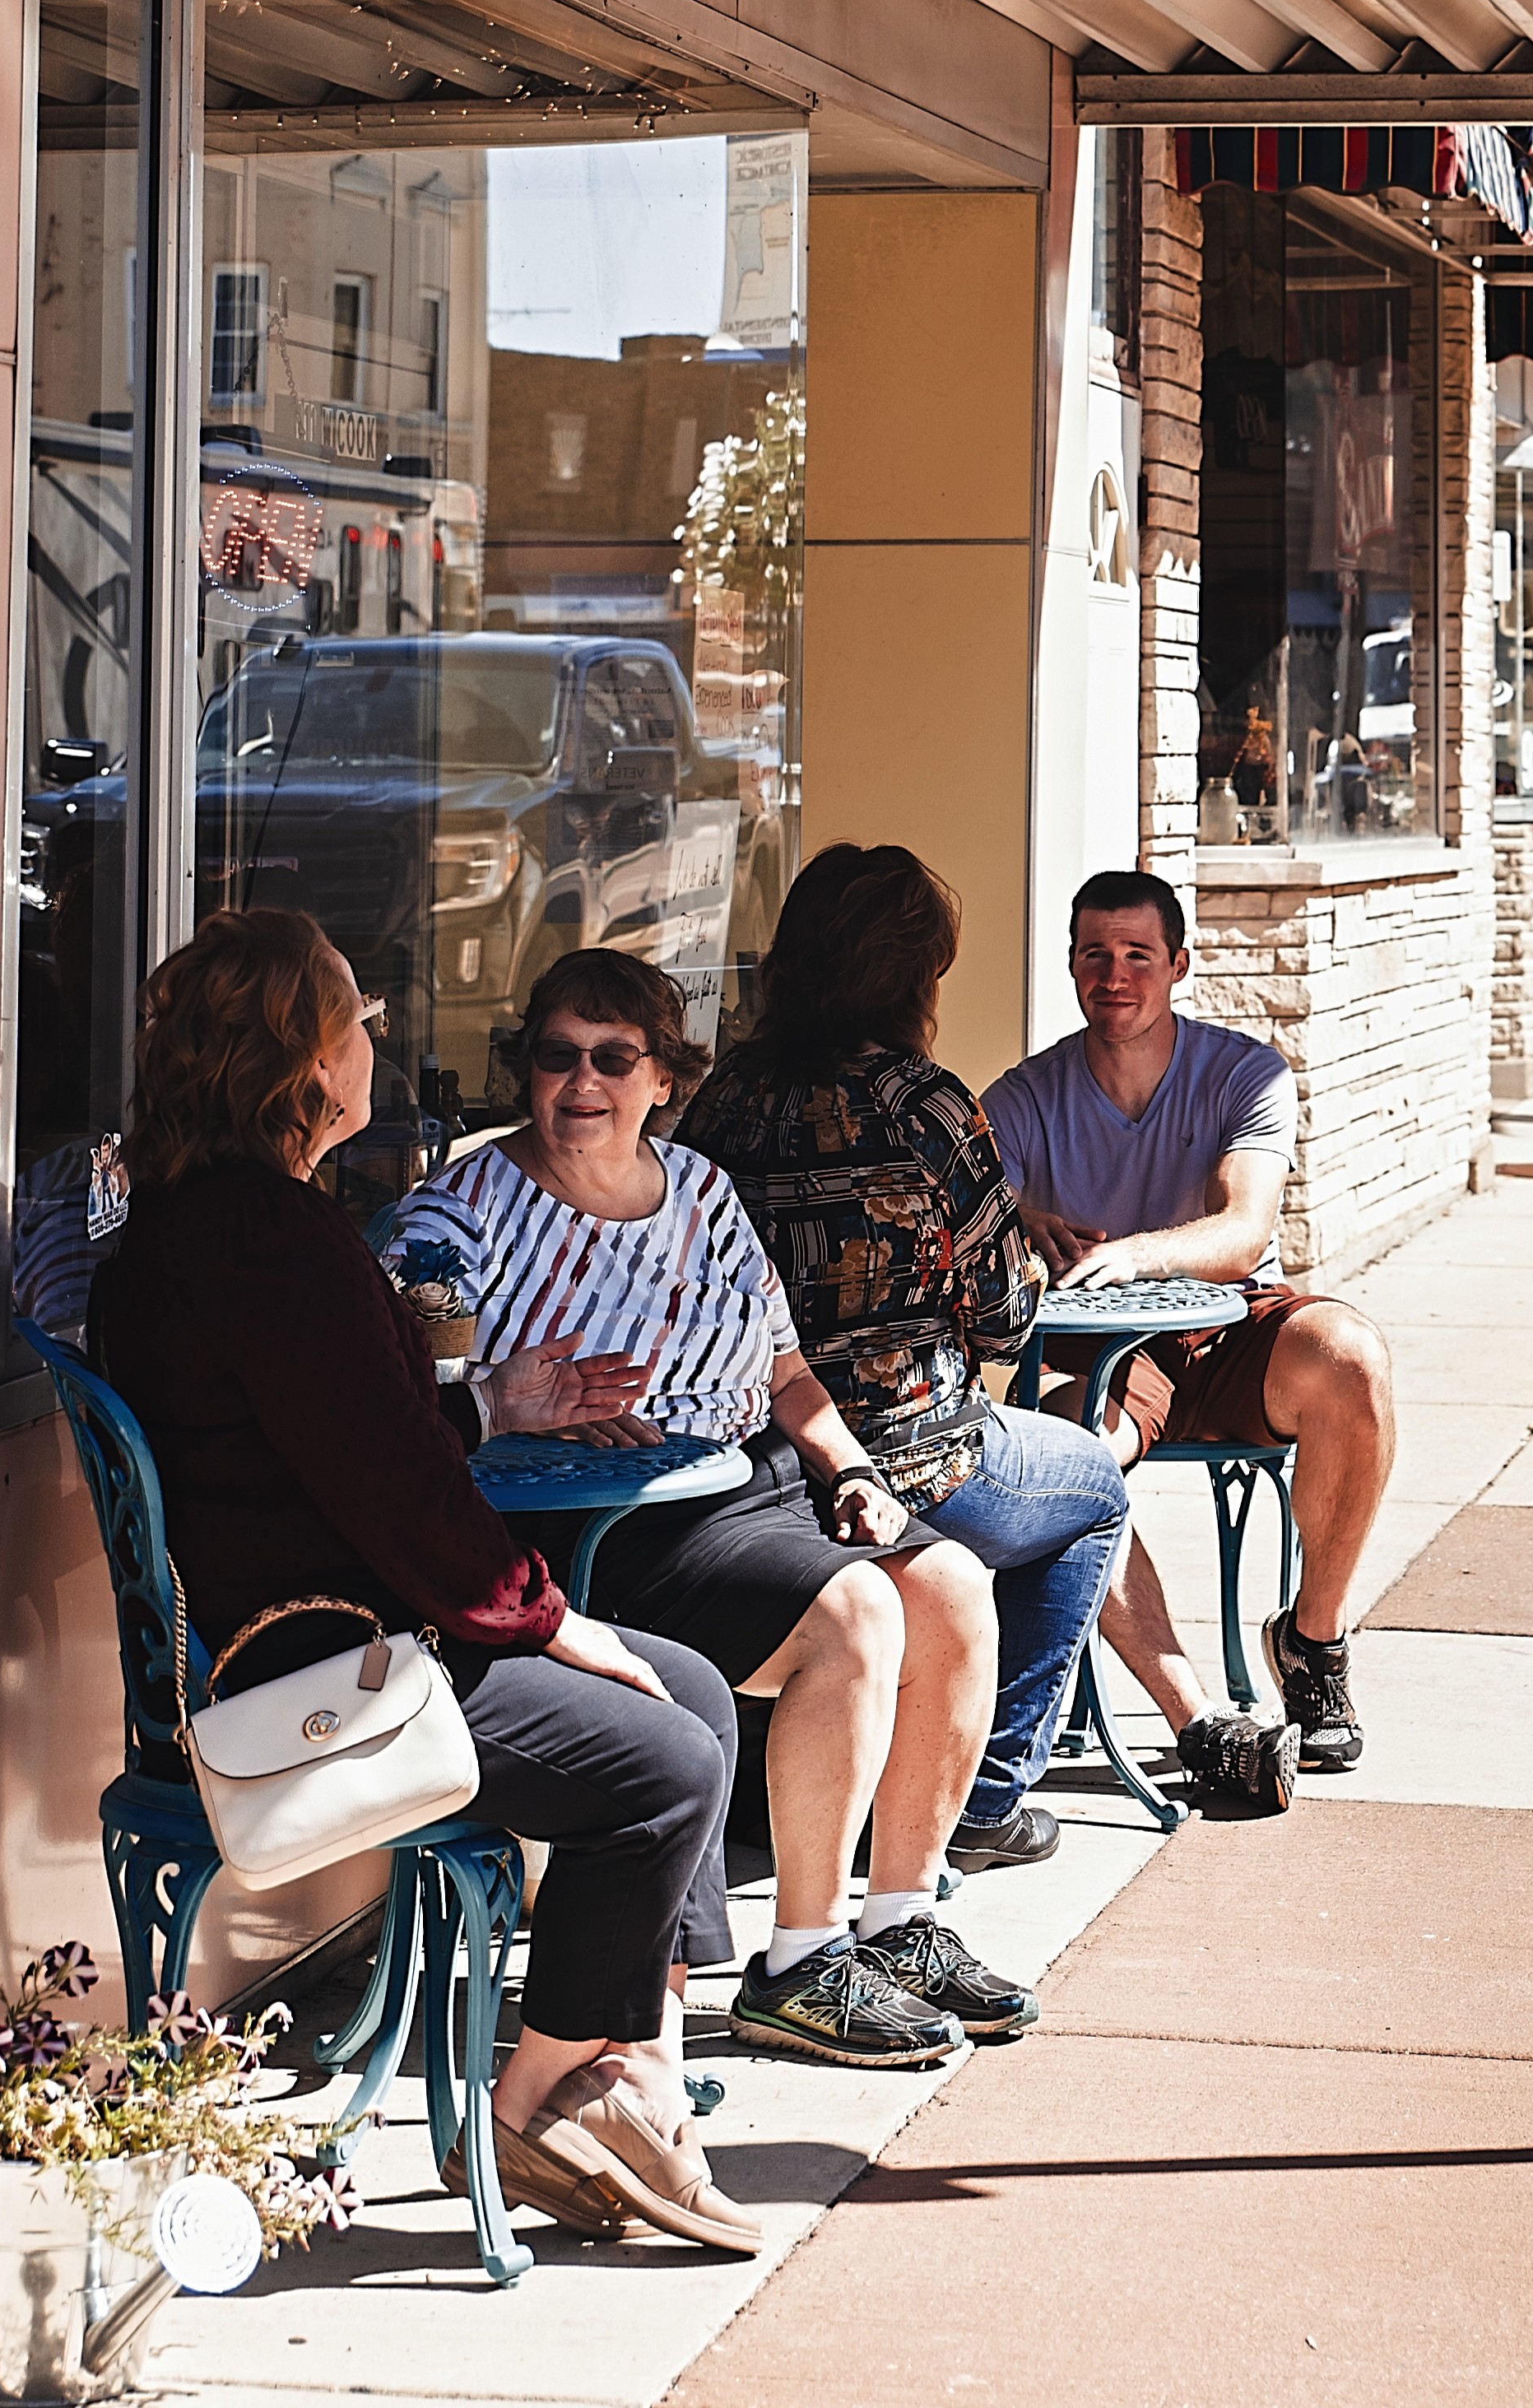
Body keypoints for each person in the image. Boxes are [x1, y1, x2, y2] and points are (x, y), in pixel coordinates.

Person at [89, 906, 761, 2257]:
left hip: (322, 1630)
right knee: (669, 1759)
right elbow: (394, 1493)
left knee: (690, 1686)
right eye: (353, 1018)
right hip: (315, 1678)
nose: (370, 1043)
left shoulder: (206, 1226)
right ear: (298, 1061)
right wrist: (551, 1619)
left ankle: (619, 2071)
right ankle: (535, 2096)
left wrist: (488, 1410)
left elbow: (353, 1448)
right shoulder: (273, 1244)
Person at [384, 946, 1040, 2068]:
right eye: (554, 1057)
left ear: (663, 1080)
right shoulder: (459, 1213)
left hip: (750, 1482)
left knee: (952, 1588)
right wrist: (506, 1398)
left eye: (611, 1059)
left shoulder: (700, 1191)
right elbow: (404, 1401)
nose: (579, 1083)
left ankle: (900, 1923)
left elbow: (784, 1371)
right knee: (856, 1621)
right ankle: (800, 1958)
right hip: (598, 1527)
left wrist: (849, 1471)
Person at [677, 845, 1132, 1871]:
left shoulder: (726, 1097)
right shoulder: (923, 1102)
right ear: (909, 973)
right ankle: (984, 1795)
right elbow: (1009, 1323)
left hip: (761, 1456)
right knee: (1093, 1484)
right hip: (914, 1450)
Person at [983, 870, 1393, 1783]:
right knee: (1066, 1455)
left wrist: (1135, 1250)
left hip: (1232, 1326)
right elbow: (971, 1215)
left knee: (1352, 1358)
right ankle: (1197, 1721)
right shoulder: (1020, 1096)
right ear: (1069, 964)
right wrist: (1018, 1220)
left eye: (1137, 955)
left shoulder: (1243, 1072)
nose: (1114, 975)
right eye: (1094, 954)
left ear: (1178, 964)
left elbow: (1244, 1231)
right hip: (1102, 1351)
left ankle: (1311, 1644)